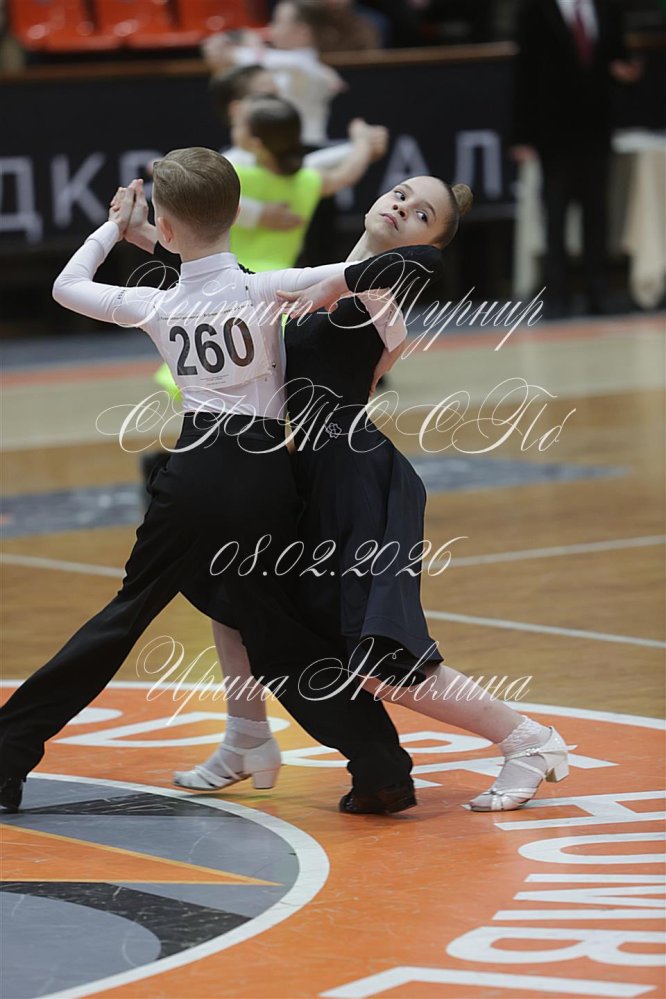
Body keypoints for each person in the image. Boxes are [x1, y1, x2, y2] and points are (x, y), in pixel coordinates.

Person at [0, 149, 421, 816]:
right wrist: (346, 278)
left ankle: (7, 753)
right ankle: (380, 765)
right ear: (236, 212)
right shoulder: (269, 286)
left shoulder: (156, 303)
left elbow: (66, 285)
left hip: (196, 471)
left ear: (165, 229)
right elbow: (382, 270)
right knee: (275, 630)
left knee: (126, 616)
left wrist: (114, 227)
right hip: (266, 476)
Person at [151, 175, 570, 813]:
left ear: (433, 239)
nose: (403, 206)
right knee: (235, 599)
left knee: (377, 659)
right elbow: (229, 284)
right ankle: (245, 735)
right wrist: (150, 236)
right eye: (401, 193)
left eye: (423, 212)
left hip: (357, 481)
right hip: (308, 475)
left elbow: (421, 263)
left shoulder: (381, 293)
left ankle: (528, 740)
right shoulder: (324, 278)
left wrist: (343, 283)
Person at [511, 0, 642, 316]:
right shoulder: (535, 11)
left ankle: (598, 291)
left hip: (597, 129)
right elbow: (524, 75)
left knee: (597, 213)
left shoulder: (608, 9)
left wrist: (625, 73)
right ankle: (557, 295)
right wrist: (520, 135)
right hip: (553, 133)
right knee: (555, 214)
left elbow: (616, 59)